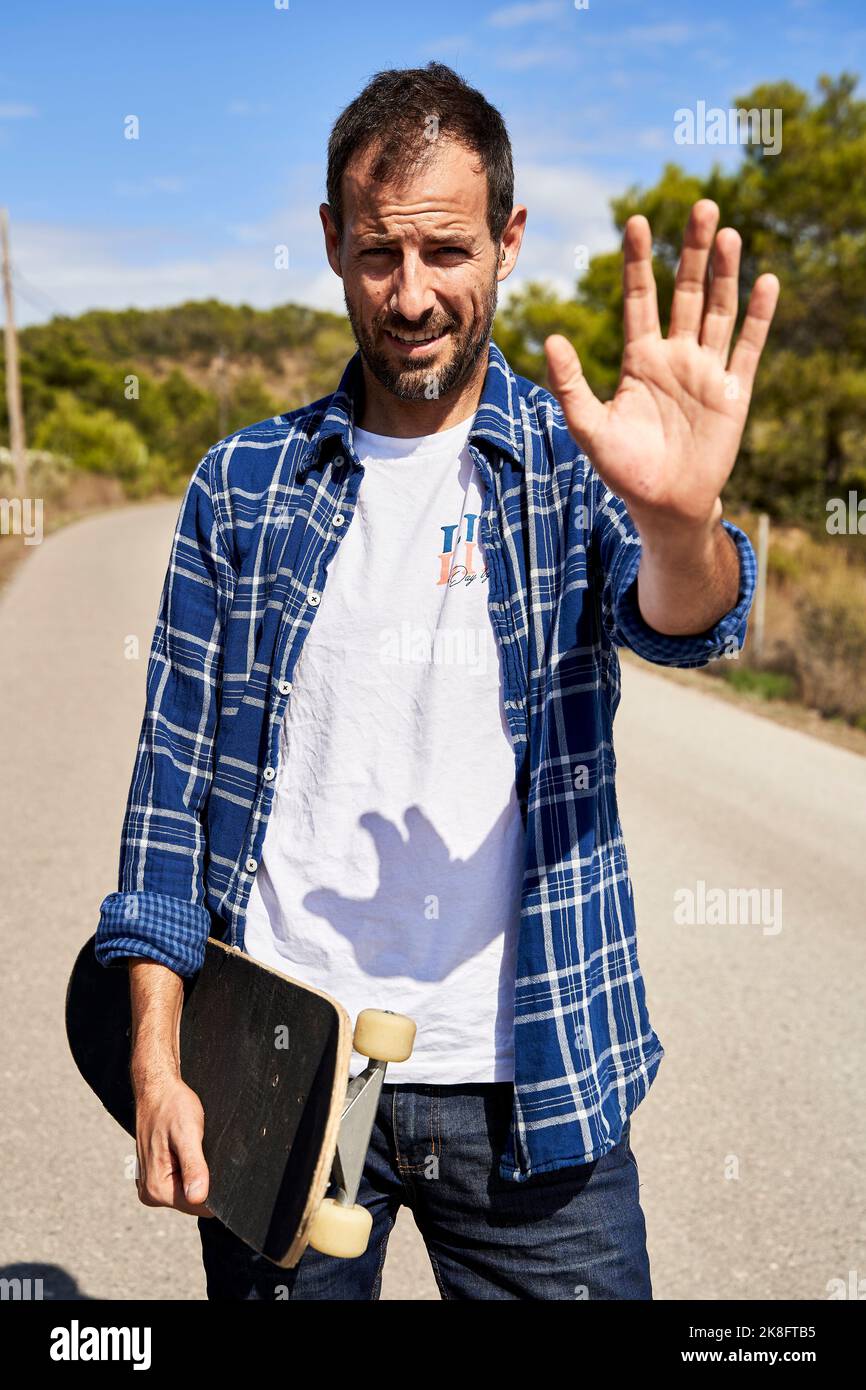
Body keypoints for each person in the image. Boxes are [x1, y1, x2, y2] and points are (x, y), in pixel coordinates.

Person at [95, 62, 778, 1301]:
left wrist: (680, 522)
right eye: (375, 254)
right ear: (329, 242)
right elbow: (165, 801)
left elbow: (692, 623)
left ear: (508, 239)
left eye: (446, 251)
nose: (411, 297)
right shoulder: (241, 488)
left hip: (531, 1088)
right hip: (290, 1080)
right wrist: (155, 1057)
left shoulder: (575, 466)